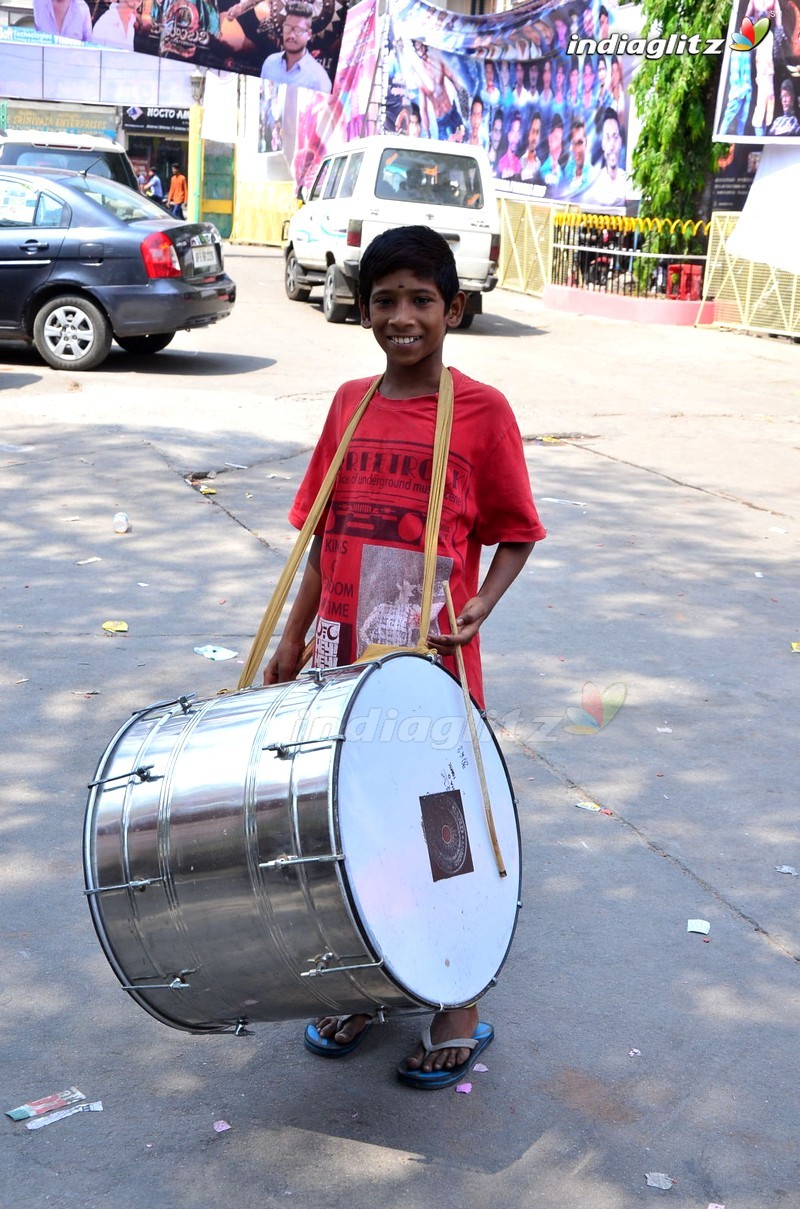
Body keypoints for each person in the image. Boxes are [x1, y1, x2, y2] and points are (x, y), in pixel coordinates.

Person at [263, 225, 545, 1088]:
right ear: (363, 309)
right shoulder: (348, 403)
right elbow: (319, 536)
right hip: (340, 659)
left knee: (440, 829)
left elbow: (515, 531)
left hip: (429, 667)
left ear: (453, 309)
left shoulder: (483, 412)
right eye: (385, 299)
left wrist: (481, 605)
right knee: (349, 824)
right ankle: (366, 983)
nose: (403, 316)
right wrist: (288, 635)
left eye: (422, 298)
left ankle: (456, 996)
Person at [261, 3, 332, 95]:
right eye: (287, 28)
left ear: (309, 35)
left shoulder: (319, 79)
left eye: (298, 30)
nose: (291, 35)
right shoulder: (270, 63)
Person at [585, 107, 628, 207]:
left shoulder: (628, 182)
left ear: (620, 141)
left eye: (615, 136)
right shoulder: (595, 184)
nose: (612, 146)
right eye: (607, 138)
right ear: (602, 143)